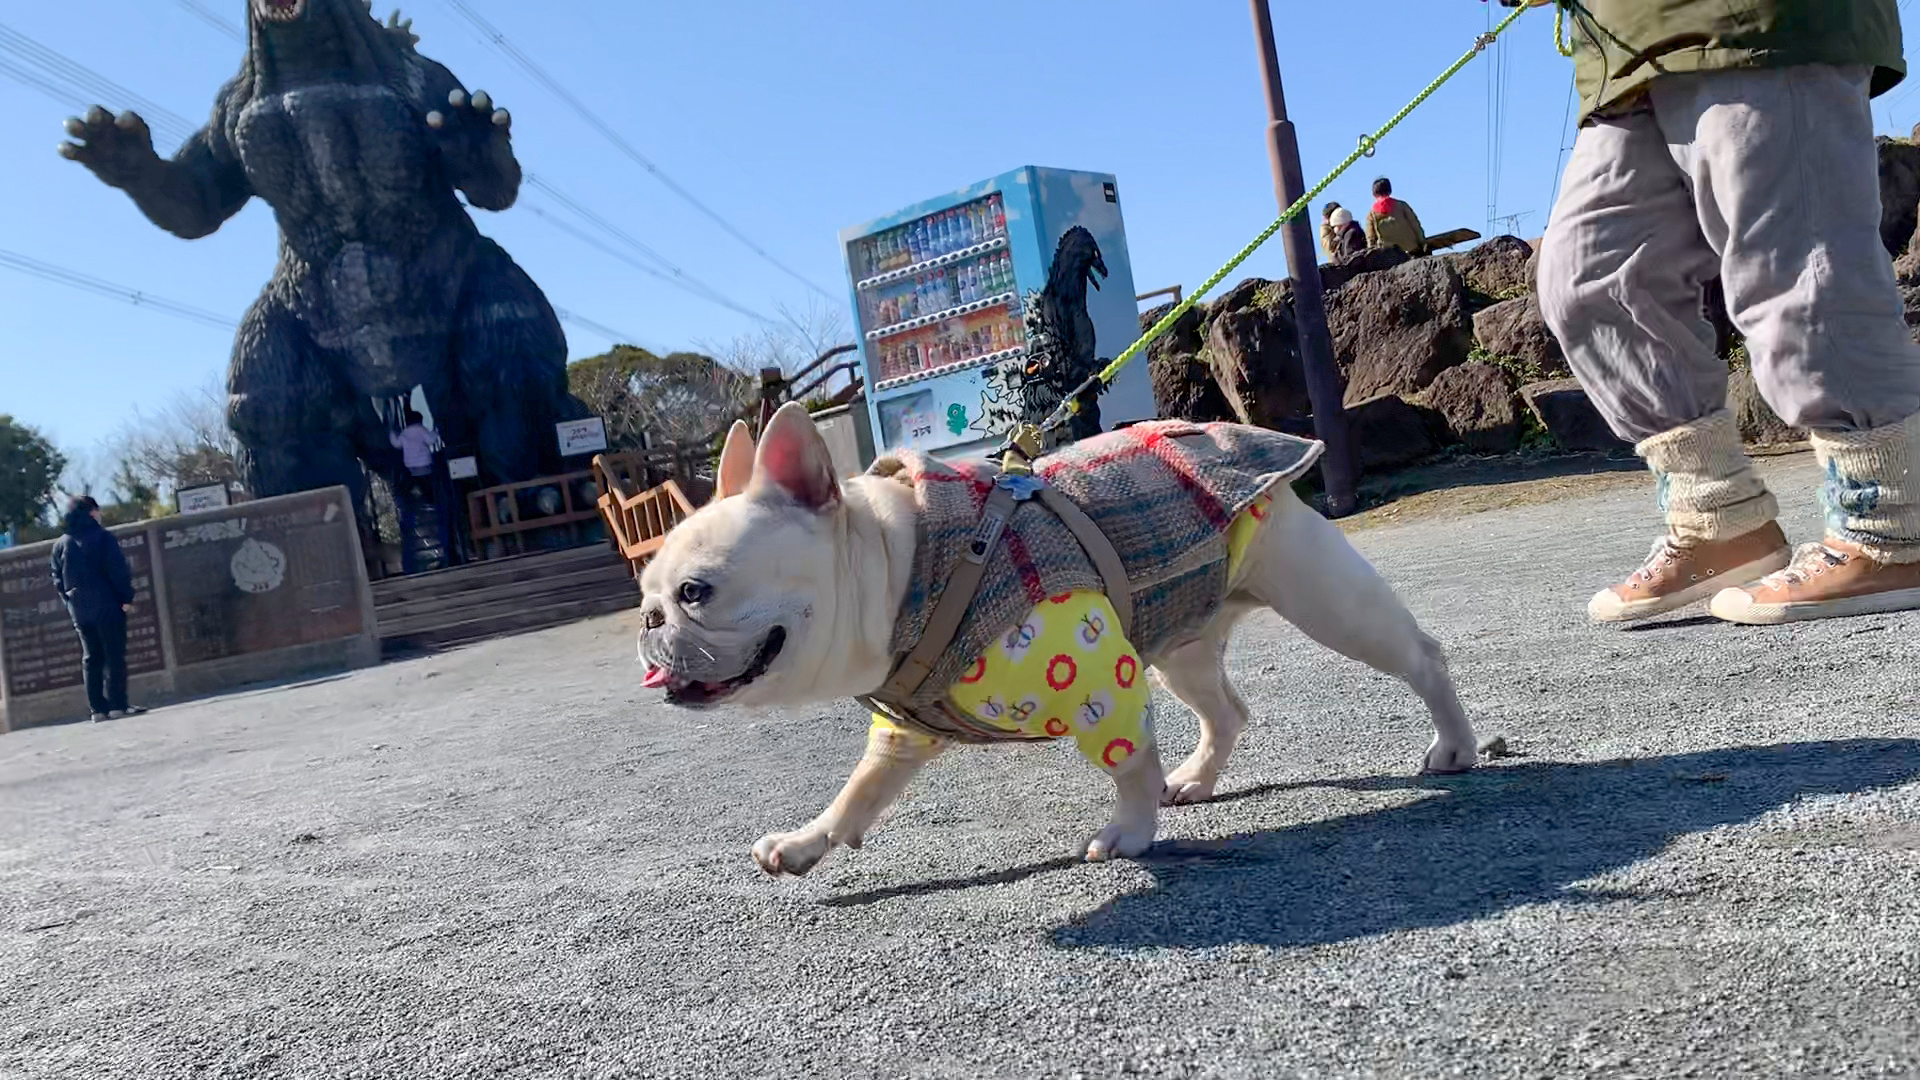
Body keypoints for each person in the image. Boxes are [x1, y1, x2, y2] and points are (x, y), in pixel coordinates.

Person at [1527, 0, 1920, 626]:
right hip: (1625, 51)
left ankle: (1893, 526)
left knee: (1797, 265)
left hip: (1757, 21)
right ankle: (1720, 519)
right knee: (1589, 279)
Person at [49, 495, 145, 722]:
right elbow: (117, 571)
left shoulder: (61, 544)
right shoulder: (103, 538)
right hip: (108, 605)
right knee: (114, 655)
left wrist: (70, 604)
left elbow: (58, 581)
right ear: (92, 512)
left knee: (91, 657)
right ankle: (117, 704)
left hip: (80, 611)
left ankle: (97, 709)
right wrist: (126, 598)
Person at [1364, 177, 1427, 255]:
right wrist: (1422, 242)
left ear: (1374, 194)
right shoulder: (1402, 205)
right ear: (1389, 190)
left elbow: (1370, 238)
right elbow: (1415, 225)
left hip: (1389, 255)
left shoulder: (1371, 214)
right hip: (1411, 248)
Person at [388, 408, 442, 498]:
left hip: (410, 464)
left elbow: (396, 443)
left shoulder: (404, 433)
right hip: (424, 462)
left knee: (417, 480)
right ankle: (430, 497)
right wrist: (435, 432)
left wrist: (391, 433)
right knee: (427, 483)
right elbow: (430, 440)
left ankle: (416, 493)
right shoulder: (421, 430)